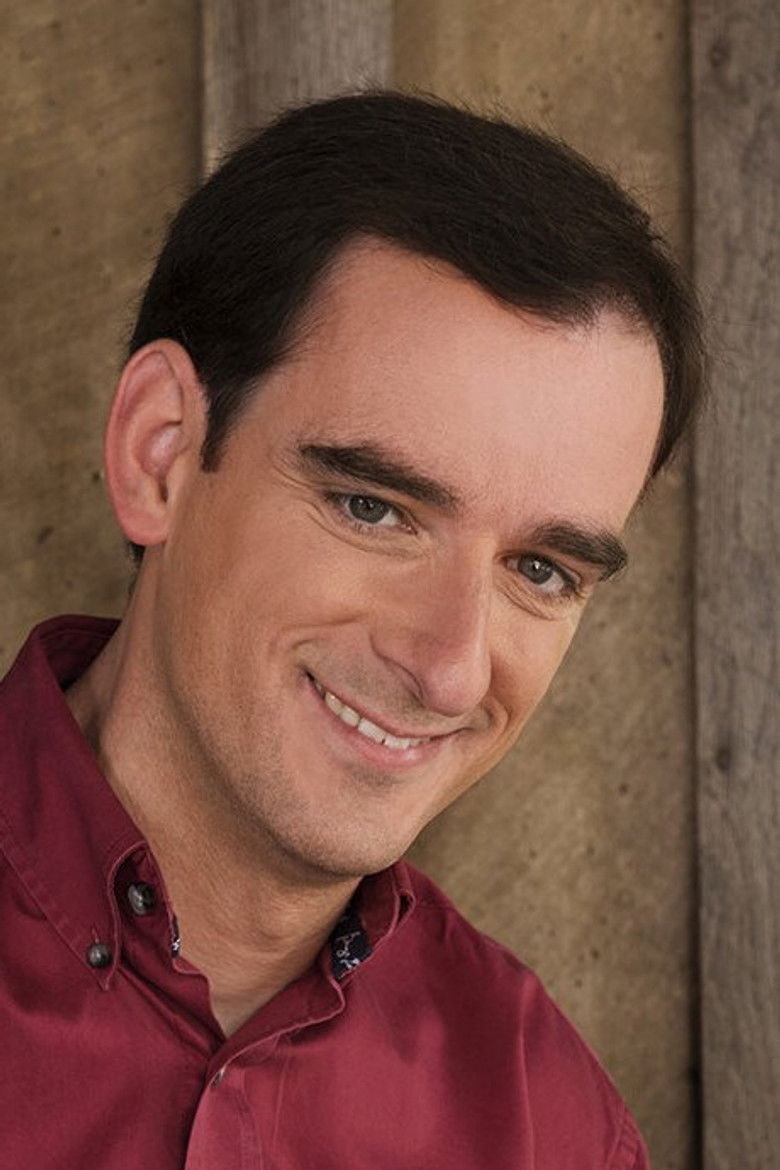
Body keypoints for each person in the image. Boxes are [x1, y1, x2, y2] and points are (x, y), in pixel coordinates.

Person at [0, 92, 703, 1169]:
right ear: (161, 454)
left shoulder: (550, 1127)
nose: (449, 669)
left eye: (540, 571)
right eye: (374, 509)